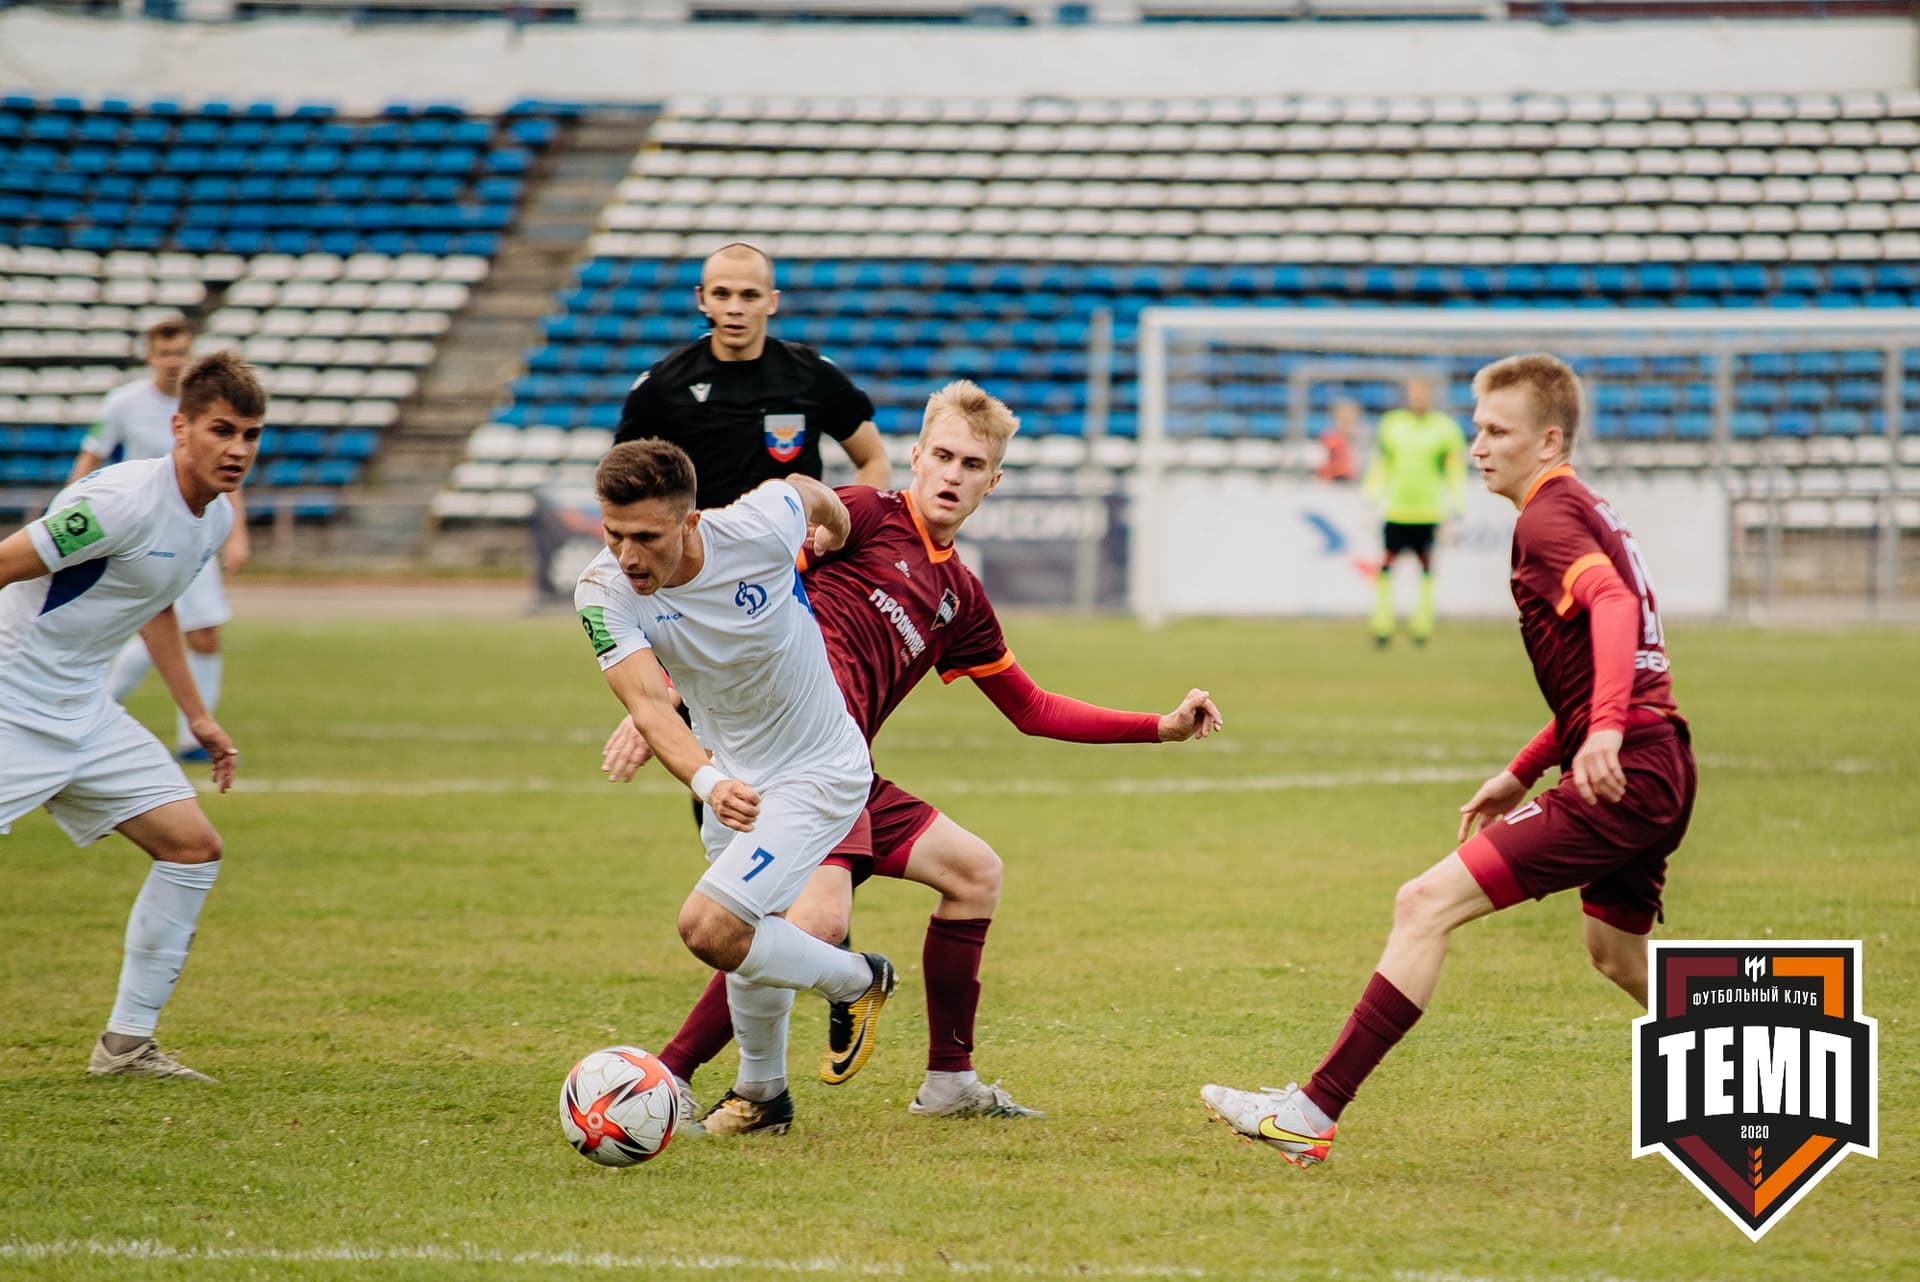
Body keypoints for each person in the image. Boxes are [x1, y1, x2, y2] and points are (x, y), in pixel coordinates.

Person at [604, 380, 1225, 1127]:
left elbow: (1031, 709)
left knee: (973, 873)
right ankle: (681, 1074)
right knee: (812, 924)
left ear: (993, 482)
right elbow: (729, 597)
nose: (954, 475)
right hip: (780, 759)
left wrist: (1160, 726)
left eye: (973, 465)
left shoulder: (960, 595)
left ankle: (945, 1083)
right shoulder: (863, 515)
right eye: (944, 456)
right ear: (917, 456)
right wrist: (664, 701)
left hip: (842, 769)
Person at [1200, 353, 1696, 1166]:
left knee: (1423, 903)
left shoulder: (1547, 519)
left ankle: (1311, 1113)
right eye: (1476, 428)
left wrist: (1603, 730)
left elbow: (1610, 604)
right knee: (1616, 954)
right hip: (1656, 760)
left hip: (1624, 768)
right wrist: (1528, 766)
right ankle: (1762, 1059)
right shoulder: (1579, 507)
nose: (1477, 447)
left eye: (1497, 431)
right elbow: (1608, 661)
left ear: (1549, 440)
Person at [574, 439, 896, 1138]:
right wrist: (710, 779)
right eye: (614, 534)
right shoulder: (601, 591)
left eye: (646, 538)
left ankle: (859, 980)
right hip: (733, 779)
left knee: (710, 927)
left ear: (691, 522)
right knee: (750, 931)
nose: (628, 556)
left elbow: (805, 488)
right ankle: (763, 1094)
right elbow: (650, 707)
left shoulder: (756, 527)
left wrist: (836, 527)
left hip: (819, 770)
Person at [1, 351, 265, 1081]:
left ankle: (126, 1049)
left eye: (250, 435)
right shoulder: (118, 502)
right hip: (9, 702)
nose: (238, 449)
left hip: (83, 712)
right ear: (181, 428)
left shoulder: (211, 518)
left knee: (192, 848)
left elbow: (155, 604)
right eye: (222, 430)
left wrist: (197, 716)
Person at [69, 317, 250, 761]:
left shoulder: (208, 408)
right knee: (146, 620)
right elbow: (90, 457)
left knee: (202, 633)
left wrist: (237, 534)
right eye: (165, 353)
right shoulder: (123, 403)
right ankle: (99, 706)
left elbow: (227, 471)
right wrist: (68, 513)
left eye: (180, 353)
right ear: (150, 356)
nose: (172, 362)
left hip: (195, 528)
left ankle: (193, 737)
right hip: (138, 532)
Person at [615, 241, 891, 505]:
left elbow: (873, 460)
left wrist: (848, 525)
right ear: (702, 298)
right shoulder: (663, 384)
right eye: (721, 294)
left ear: (772, 301)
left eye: (749, 295)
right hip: (699, 538)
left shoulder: (813, 374)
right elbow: (619, 482)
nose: (735, 309)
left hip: (792, 541)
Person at [1362, 375, 1465, 647]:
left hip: (1428, 511)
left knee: (1426, 569)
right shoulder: (1391, 424)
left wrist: (1456, 505)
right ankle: (1382, 625)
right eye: (1413, 393)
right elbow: (1381, 463)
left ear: (1430, 396)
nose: (1417, 398)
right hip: (1396, 510)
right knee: (1386, 568)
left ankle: (1422, 626)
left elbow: (1455, 469)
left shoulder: (1445, 428)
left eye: (1422, 393)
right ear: (1407, 396)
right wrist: (1371, 495)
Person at [1316, 398, 1361, 484]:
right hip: (1332, 486)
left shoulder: (1361, 442)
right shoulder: (1328, 441)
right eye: (1344, 419)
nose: (1348, 423)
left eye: (1351, 419)